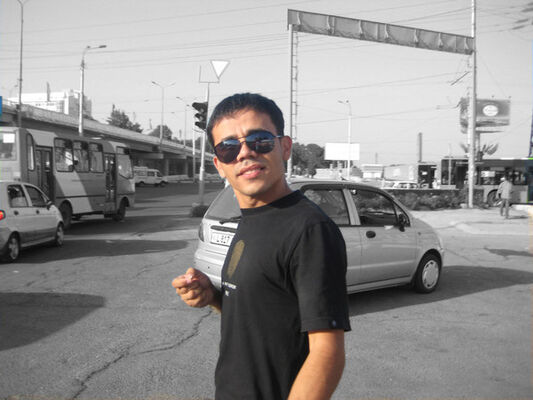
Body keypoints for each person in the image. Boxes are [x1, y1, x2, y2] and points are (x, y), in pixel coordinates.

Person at [172, 93, 351, 400]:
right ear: (219, 165)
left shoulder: (310, 230)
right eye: (228, 147)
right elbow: (259, 313)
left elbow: (327, 352)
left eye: (260, 140)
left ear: (285, 147)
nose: (245, 153)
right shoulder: (250, 219)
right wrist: (211, 295)